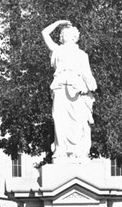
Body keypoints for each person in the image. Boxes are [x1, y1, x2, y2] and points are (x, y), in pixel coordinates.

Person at [41, 19, 96, 163]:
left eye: (68, 33)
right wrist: (58, 23)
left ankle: (77, 151)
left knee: (77, 119)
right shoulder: (57, 50)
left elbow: (87, 74)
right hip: (59, 86)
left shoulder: (82, 55)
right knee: (59, 118)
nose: (65, 35)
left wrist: (90, 87)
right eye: (63, 33)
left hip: (75, 88)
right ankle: (61, 151)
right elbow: (44, 33)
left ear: (74, 37)